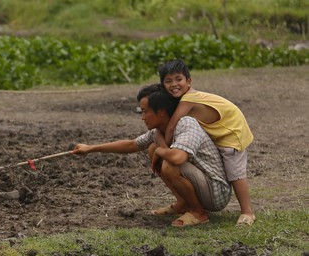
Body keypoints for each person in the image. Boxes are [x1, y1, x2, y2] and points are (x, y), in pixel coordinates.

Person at [73, 84, 231, 227]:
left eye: (145, 111)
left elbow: (177, 158)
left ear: (161, 113)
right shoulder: (158, 132)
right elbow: (132, 144)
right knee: (152, 148)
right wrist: (90, 148)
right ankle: (183, 204)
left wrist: (160, 151)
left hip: (215, 192)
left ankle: (199, 213)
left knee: (169, 163)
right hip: (201, 184)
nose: (142, 117)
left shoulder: (186, 124)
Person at [158, 59, 255, 227]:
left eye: (178, 79)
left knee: (235, 174)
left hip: (231, 134)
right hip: (218, 132)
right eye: (168, 81)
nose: (174, 84)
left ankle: (247, 212)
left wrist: (164, 147)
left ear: (189, 81)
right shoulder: (185, 97)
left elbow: (173, 124)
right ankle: (183, 203)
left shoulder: (189, 98)